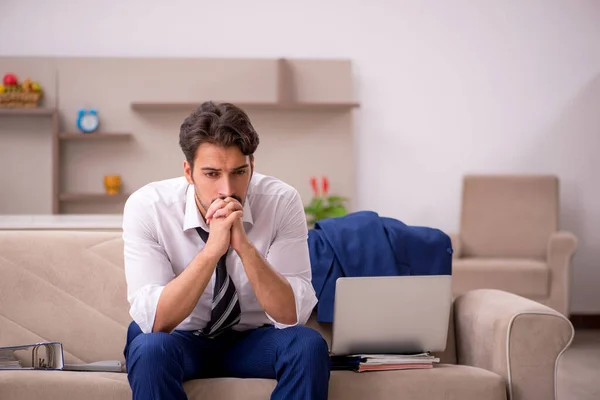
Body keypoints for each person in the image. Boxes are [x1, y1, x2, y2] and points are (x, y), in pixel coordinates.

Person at [122, 101, 331, 400]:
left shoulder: (281, 201)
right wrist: (211, 252)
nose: (227, 189)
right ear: (188, 171)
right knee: (149, 346)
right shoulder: (149, 207)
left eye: (239, 172)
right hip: (179, 339)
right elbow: (156, 321)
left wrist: (244, 248)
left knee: (308, 344)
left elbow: (291, 315)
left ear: (252, 167)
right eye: (211, 174)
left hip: (252, 341)